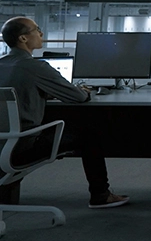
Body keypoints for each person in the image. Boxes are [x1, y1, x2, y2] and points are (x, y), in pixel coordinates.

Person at [0, 17, 129, 208]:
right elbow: (79, 98)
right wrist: (82, 91)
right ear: (23, 39)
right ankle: (100, 195)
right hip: (21, 148)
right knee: (89, 135)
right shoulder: (37, 67)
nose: (41, 33)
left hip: (2, 144)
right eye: (37, 29)